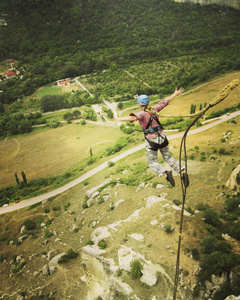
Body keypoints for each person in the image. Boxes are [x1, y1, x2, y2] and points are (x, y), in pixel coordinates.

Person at [115, 88, 189, 187]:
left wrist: (119, 119)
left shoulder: (142, 113)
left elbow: (133, 117)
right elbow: (165, 102)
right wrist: (175, 94)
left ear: (139, 104)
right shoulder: (154, 109)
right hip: (162, 138)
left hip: (152, 141)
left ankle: (165, 173)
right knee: (168, 157)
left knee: (152, 162)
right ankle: (182, 172)